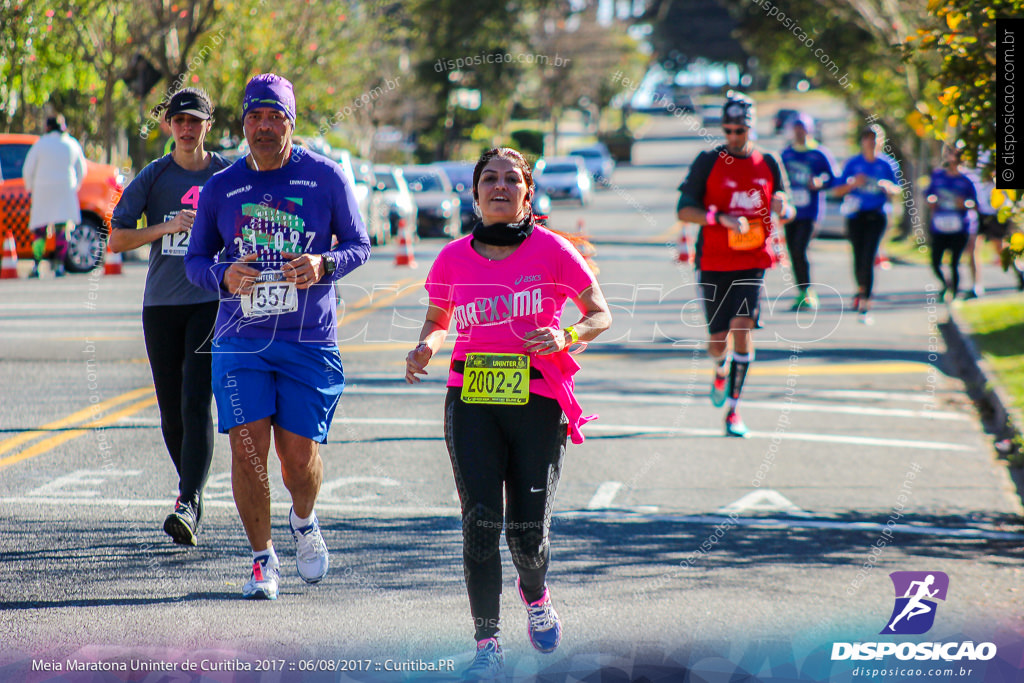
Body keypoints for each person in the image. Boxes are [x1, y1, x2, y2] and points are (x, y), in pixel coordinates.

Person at [405, 147, 611, 680]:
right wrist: (426, 346)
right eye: (489, 179)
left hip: (538, 400)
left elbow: (599, 314)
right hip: (471, 399)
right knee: (479, 522)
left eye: (511, 179)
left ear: (527, 193)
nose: (500, 186)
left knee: (526, 533)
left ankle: (536, 593)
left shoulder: (553, 250)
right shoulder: (451, 257)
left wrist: (565, 334)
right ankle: (486, 643)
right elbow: (437, 317)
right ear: (474, 194)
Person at [184, 73, 370, 600]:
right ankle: (261, 559)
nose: (264, 127)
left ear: (292, 121)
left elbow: (359, 244)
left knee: (298, 459)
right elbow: (196, 260)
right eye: (255, 117)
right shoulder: (221, 186)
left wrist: (324, 262)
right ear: (243, 122)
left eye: (275, 117)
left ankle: (304, 520)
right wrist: (223, 275)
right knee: (247, 451)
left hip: (309, 339)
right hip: (241, 341)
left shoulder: (326, 177)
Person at [109, 88, 230, 546]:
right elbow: (116, 239)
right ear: (169, 126)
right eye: (178, 121)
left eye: (194, 121)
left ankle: (187, 501)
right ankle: (193, 492)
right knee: (170, 407)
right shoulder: (154, 176)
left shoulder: (225, 173)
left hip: (209, 301)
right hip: (160, 305)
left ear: (207, 125)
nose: (186, 128)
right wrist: (165, 227)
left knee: (196, 397)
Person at [676, 92, 792, 438]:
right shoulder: (708, 161)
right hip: (713, 261)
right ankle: (720, 368)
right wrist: (720, 218)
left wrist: (785, 207)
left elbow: (786, 207)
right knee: (717, 340)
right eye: (727, 130)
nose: (732, 137)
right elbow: (684, 210)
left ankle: (734, 410)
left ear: (751, 129)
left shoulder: (769, 163)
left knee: (742, 328)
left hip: (753, 260)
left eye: (739, 131)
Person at [831, 124, 901, 324]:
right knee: (858, 257)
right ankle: (860, 289)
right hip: (856, 215)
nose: (871, 142)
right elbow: (836, 191)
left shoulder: (887, 164)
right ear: (862, 141)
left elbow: (898, 189)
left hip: (877, 215)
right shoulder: (852, 164)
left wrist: (888, 187)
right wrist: (853, 184)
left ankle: (865, 302)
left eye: (875, 138)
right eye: (867, 138)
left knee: (869, 256)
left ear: (881, 141)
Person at [780, 112, 837, 310]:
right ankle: (801, 292)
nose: (799, 133)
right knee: (793, 252)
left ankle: (808, 292)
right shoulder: (786, 154)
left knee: (800, 248)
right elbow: (778, 180)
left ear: (809, 130)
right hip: (791, 212)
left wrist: (820, 182)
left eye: (802, 129)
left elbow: (834, 178)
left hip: (810, 212)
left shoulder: (819, 153)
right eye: (796, 129)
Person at [22, 114, 87, 278]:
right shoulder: (72, 143)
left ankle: (37, 265)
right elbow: (82, 170)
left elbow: (27, 170)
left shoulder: (40, 144)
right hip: (64, 190)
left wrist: (31, 187)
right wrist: (74, 186)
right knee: (61, 229)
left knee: (40, 230)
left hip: (43, 190)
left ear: (47, 127)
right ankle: (59, 266)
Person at [924, 143, 979, 301]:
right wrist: (931, 200)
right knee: (935, 262)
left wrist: (965, 204)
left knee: (954, 263)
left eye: (954, 152)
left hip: (960, 227)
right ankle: (946, 284)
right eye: (948, 152)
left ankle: (954, 294)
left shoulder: (967, 179)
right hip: (939, 226)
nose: (951, 155)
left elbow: (975, 204)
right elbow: (928, 195)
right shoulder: (938, 176)